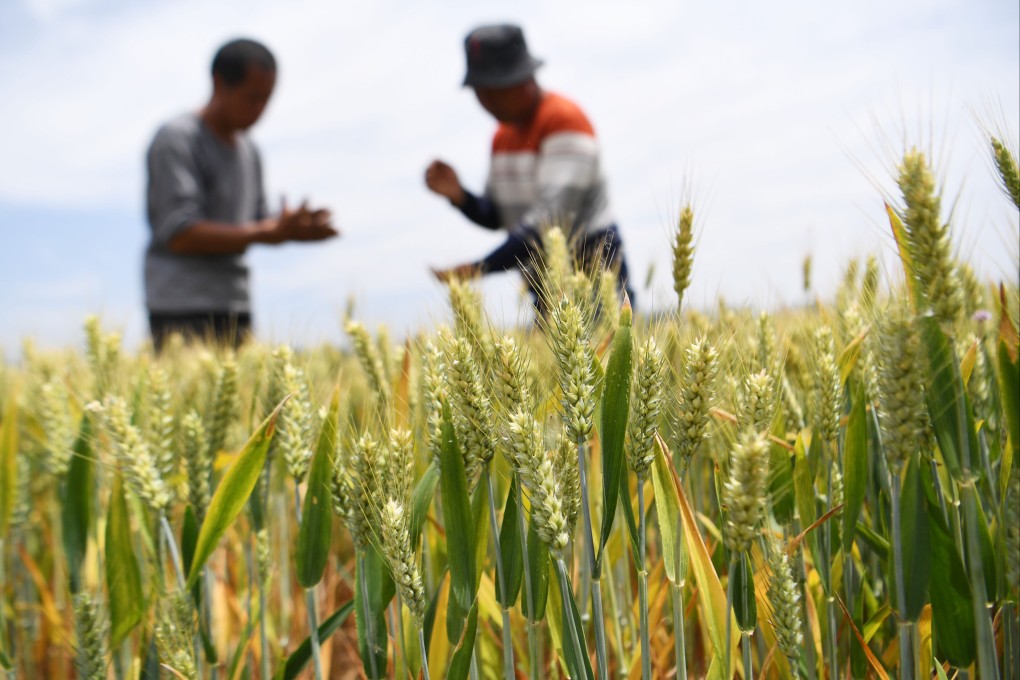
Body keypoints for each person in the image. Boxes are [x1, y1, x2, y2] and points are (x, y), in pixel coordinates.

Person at [425, 23, 634, 316]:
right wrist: (462, 198)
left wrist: (479, 268)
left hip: (596, 277)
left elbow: (547, 222)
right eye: (479, 91)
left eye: (492, 89)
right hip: (547, 288)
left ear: (522, 80)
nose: (485, 101)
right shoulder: (501, 137)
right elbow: (499, 215)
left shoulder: (564, 121)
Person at [144, 38, 337, 351]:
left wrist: (292, 228)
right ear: (219, 83)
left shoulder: (250, 151)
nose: (260, 111)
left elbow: (258, 219)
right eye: (252, 98)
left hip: (236, 304)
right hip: (181, 306)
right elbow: (180, 232)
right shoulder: (177, 139)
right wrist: (266, 232)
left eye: (267, 100)